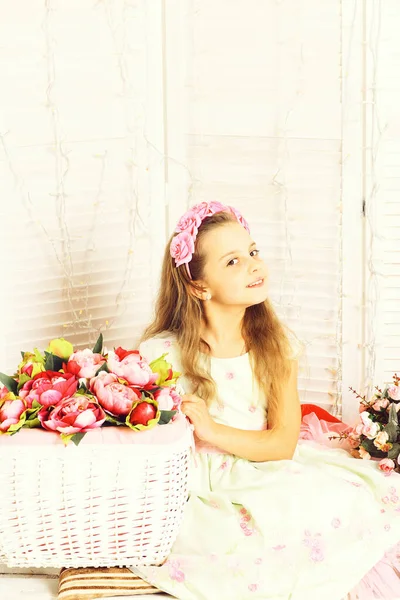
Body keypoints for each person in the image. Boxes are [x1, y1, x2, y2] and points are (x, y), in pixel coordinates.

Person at [129, 202, 400, 600]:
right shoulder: (161, 355)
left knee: (337, 500)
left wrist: (212, 429)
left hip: (263, 465)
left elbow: (281, 445)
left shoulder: (274, 346)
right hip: (200, 484)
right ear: (198, 286)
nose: (255, 266)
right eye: (233, 262)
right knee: (221, 536)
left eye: (253, 253)